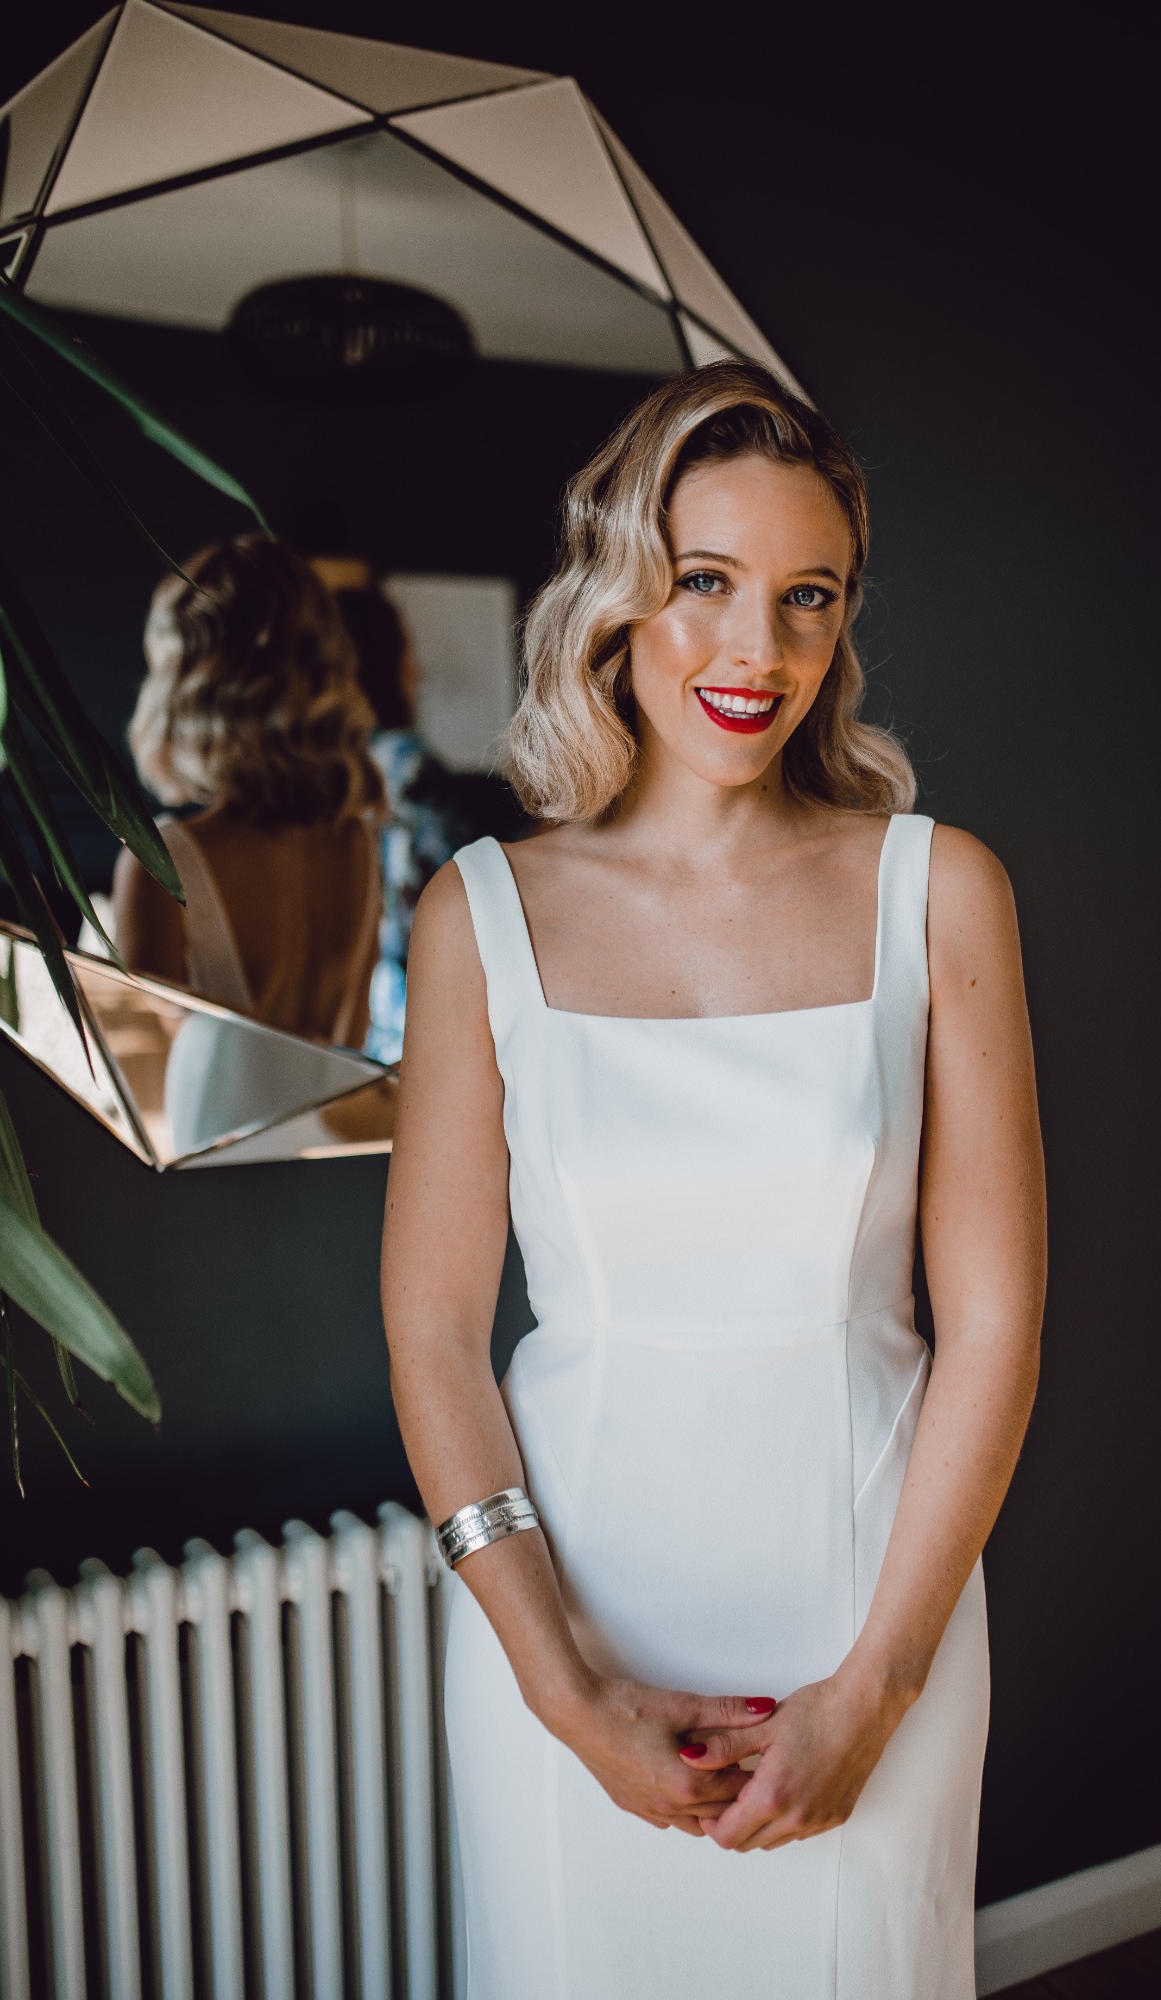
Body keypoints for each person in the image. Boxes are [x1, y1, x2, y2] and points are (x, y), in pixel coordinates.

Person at [382, 363, 1045, 1998]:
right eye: (704, 581)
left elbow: (993, 1323)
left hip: (868, 1621)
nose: (757, 650)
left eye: (805, 596)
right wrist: (561, 1691)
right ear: (617, 594)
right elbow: (434, 1337)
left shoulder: (937, 891)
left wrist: (875, 1689)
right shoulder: (480, 916)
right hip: (566, 1635)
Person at [113, 537, 389, 1150]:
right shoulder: (356, 842)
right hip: (325, 1149)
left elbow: (138, 1075)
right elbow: (354, 1033)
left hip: (210, 1149)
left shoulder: (162, 858)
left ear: (187, 683)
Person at [335, 582, 525, 1063]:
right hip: (402, 1004)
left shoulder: (322, 767)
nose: (417, 669)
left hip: (344, 1006)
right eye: (406, 649)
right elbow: (455, 888)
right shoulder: (408, 766)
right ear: (382, 661)